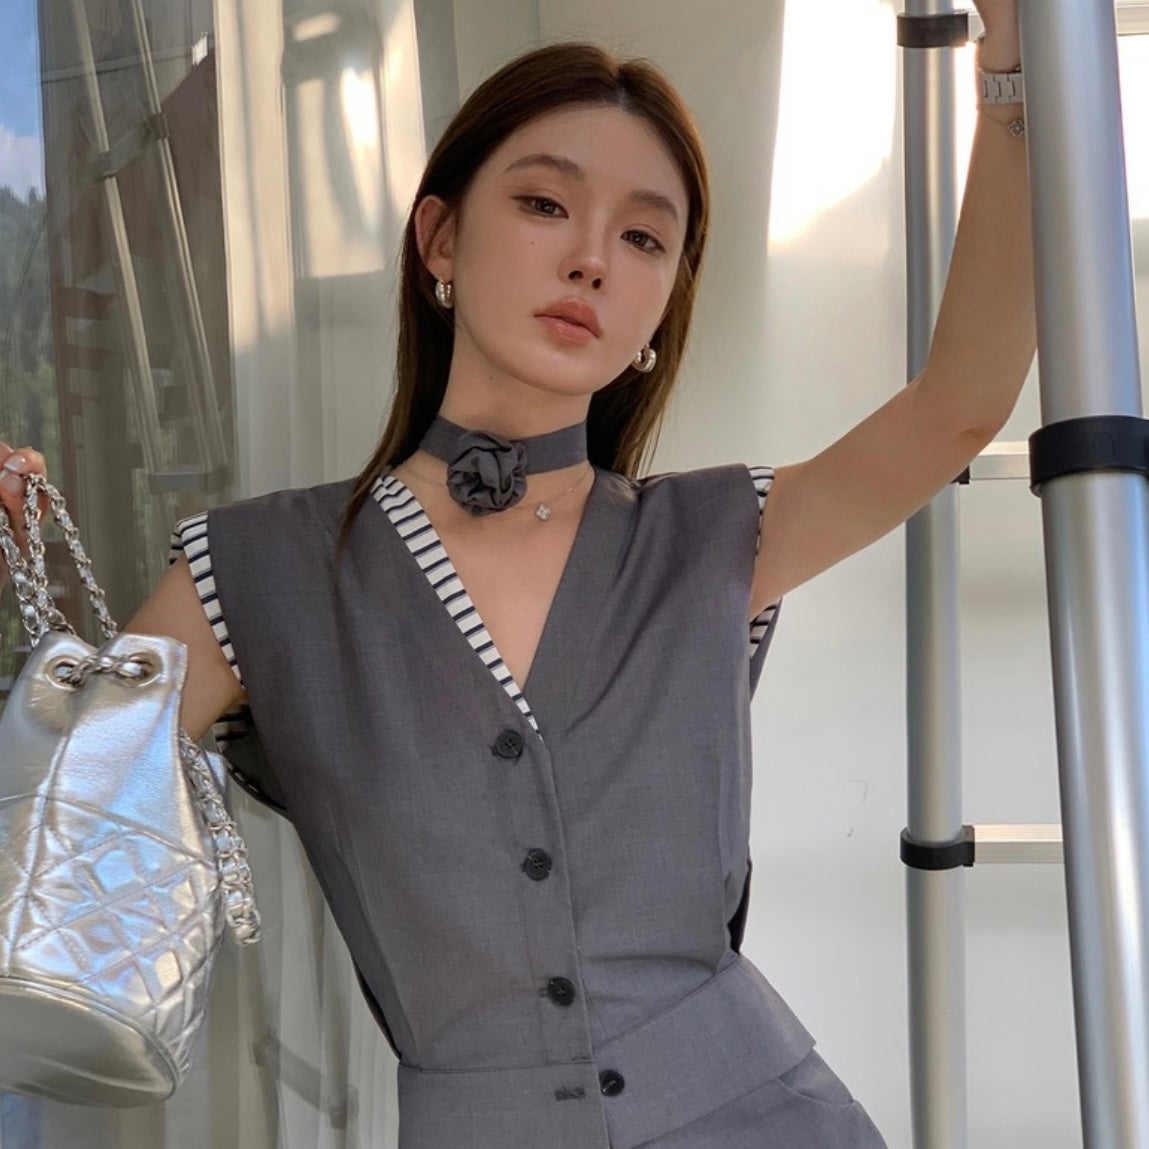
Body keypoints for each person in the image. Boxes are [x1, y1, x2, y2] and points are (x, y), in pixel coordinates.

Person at [0, 1, 1030, 1144]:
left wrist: (1012, 81)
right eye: (545, 204)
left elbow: (960, 404)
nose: (591, 258)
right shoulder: (250, 573)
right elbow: (63, 825)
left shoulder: (717, 536)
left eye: (644, 238)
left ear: (662, 305)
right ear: (440, 240)